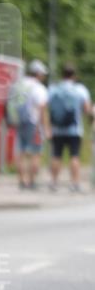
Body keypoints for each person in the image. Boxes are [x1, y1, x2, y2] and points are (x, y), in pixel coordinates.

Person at [48, 63, 92, 193]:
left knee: (56, 155)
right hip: (74, 129)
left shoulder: (54, 88)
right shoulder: (80, 89)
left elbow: (47, 105)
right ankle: (75, 183)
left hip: (57, 128)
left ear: (63, 74)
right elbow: (87, 108)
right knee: (74, 156)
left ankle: (54, 182)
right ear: (74, 76)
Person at [7, 59, 50, 190]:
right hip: (33, 123)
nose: (43, 76)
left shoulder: (17, 85)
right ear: (38, 73)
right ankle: (31, 182)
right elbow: (42, 108)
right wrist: (45, 128)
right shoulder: (38, 87)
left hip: (18, 122)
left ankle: (21, 181)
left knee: (20, 152)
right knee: (35, 153)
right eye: (42, 73)